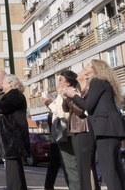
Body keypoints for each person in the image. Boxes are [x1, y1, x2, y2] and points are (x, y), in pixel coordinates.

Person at [64, 59, 125, 190]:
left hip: (106, 131)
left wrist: (74, 95)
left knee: (109, 171)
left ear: (95, 69)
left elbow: (88, 106)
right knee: (115, 169)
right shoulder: (102, 82)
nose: (85, 67)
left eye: (88, 65)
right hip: (110, 130)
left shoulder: (97, 81)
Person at [0, 74, 30, 190]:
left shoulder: (15, 94)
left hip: (12, 139)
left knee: (13, 171)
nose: (2, 85)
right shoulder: (12, 95)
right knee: (15, 169)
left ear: (11, 84)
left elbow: (3, 107)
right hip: (11, 139)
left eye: (4, 83)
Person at [63, 68, 99, 190]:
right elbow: (66, 109)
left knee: (86, 166)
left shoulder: (84, 90)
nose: (81, 70)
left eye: (83, 69)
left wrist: (70, 97)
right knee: (82, 166)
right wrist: (66, 97)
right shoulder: (80, 90)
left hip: (84, 129)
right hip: (77, 129)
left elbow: (80, 111)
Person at [44, 70, 79, 190]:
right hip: (61, 136)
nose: (57, 83)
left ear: (68, 83)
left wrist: (49, 103)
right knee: (67, 169)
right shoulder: (61, 94)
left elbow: (64, 115)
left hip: (67, 135)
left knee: (71, 169)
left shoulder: (70, 93)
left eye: (60, 80)